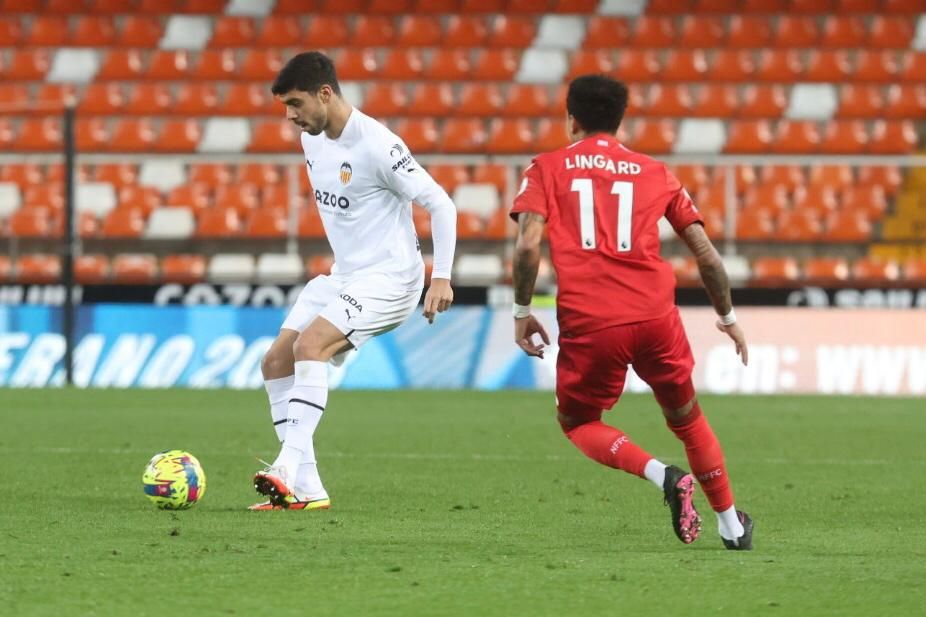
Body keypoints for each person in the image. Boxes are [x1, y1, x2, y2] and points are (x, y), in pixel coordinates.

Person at [509, 74, 753, 550]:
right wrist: (726, 317)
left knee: (578, 423)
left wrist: (522, 309)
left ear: (571, 119)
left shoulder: (547, 167)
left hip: (592, 320)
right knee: (687, 418)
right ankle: (732, 527)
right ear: (621, 122)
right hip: (656, 317)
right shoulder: (656, 171)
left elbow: (527, 246)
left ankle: (663, 476)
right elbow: (706, 254)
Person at [252, 51, 457, 510]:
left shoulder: (378, 145)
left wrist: (440, 278)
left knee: (310, 347)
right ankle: (306, 488)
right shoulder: (313, 139)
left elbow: (441, 204)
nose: (290, 116)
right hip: (344, 276)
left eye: (296, 104)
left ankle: (285, 466)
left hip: (392, 280)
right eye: (285, 107)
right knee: (274, 364)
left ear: (325, 94)